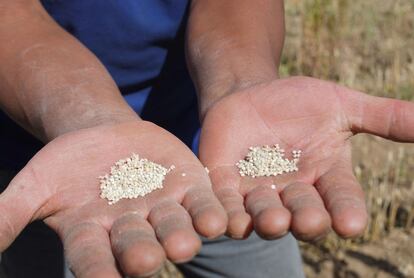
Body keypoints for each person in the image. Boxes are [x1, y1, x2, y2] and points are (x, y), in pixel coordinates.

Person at [0, 1, 413, 278]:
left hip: (215, 151)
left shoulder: (233, 151)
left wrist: (242, 84)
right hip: (48, 159)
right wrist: (88, 118)